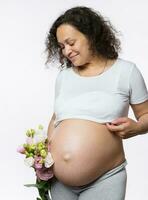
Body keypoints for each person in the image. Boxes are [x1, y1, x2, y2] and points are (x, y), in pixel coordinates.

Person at [45, 6, 148, 200]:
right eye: (61, 46)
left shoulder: (126, 72)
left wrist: (137, 127)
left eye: (71, 42)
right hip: (59, 184)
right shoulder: (64, 77)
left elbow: (146, 115)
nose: (66, 51)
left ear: (91, 36)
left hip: (104, 179)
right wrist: (43, 156)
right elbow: (57, 117)